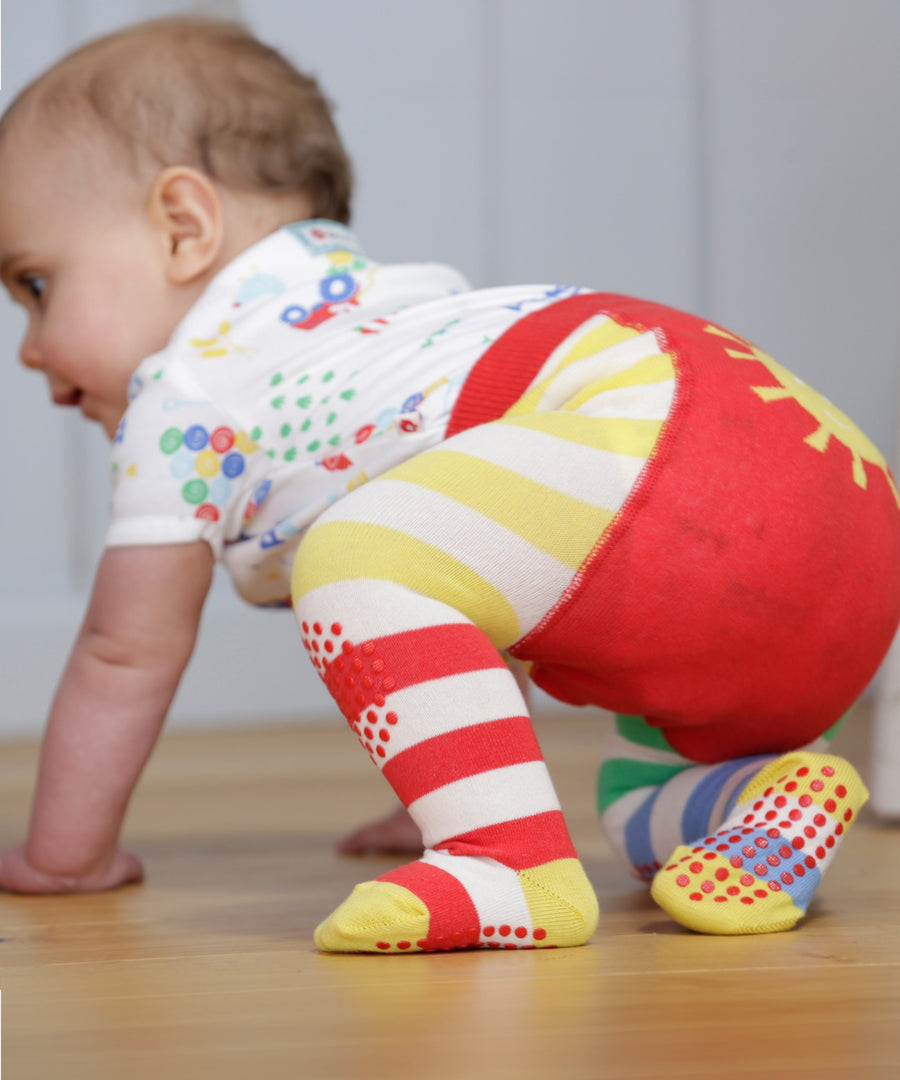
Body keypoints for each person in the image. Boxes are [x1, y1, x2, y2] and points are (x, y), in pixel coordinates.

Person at [0, 16, 896, 954]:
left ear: (184, 228)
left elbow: (123, 654)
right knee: (634, 804)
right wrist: (432, 783)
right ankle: (769, 794)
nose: (29, 349)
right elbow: (476, 576)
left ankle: (505, 859)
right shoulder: (409, 318)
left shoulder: (186, 394)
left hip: (673, 436)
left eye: (35, 285)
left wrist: (66, 860)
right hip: (835, 507)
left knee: (353, 559)